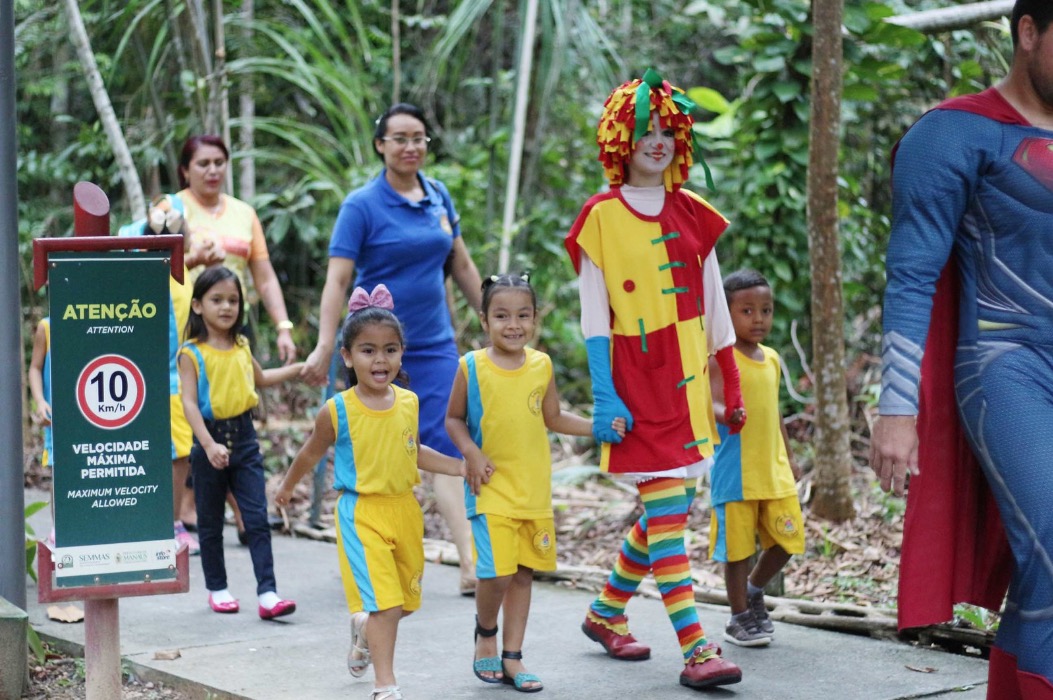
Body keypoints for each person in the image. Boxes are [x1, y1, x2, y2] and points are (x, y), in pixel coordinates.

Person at [869, 2, 1053, 696]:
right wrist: (895, 408)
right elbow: (912, 275)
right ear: (1027, 31)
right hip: (1005, 367)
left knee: (1041, 567)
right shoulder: (953, 133)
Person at [565, 69, 746, 690]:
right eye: (645, 129)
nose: (658, 139)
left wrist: (732, 385)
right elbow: (594, 316)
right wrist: (603, 392)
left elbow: (717, 306)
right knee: (668, 511)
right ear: (622, 137)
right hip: (635, 381)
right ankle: (697, 651)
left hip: (689, 380)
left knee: (668, 506)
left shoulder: (695, 211)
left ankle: (605, 612)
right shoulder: (599, 216)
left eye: (668, 129)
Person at [302, 103, 483, 595]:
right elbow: (338, 279)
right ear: (381, 145)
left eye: (419, 137)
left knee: (448, 440)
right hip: (375, 352)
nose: (411, 147)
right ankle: (371, 548)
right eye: (400, 138)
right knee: (378, 445)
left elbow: (462, 265)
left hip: (435, 342)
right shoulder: (361, 205)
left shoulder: (438, 197)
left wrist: (492, 319)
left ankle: (470, 563)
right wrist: (325, 344)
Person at [275, 284, 466, 700]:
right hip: (361, 514)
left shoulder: (409, 402)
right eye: (368, 350)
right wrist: (287, 487)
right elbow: (311, 453)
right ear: (347, 356)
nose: (380, 359)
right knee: (386, 604)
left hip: (404, 510)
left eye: (390, 349)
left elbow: (414, 451)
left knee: (403, 603)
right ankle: (386, 684)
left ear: (401, 352)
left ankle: (362, 629)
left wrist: (459, 466)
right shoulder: (338, 409)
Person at [445, 273, 619, 693]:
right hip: (490, 487)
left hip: (533, 491)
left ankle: (513, 656)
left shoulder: (541, 365)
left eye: (523, 315)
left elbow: (554, 417)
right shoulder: (471, 366)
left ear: (536, 318)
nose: (513, 324)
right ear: (484, 321)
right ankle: (485, 630)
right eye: (501, 315)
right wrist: (472, 452)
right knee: (496, 573)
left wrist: (597, 426)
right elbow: (453, 420)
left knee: (522, 574)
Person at [178, 266, 303, 618]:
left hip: (245, 439)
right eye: (216, 300)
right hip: (209, 440)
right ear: (199, 305)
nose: (226, 307)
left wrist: (297, 369)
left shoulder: (241, 345)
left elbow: (260, 379)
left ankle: (268, 593)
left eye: (233, 300)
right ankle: (217, 588)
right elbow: (188, 402)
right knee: (211, 520)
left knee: (256, 517)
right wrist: (207, 444)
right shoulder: (191, 353)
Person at [708, 269, 803, 648]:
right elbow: (707, 403)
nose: (759, 318)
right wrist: (725, 413)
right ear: (727, 315)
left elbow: (775, 411)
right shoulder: (721, 358)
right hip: (736, 469)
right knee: (737, 550)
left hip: (772, 467)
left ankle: (754, 589)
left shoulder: (772, 359)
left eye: (765, 309)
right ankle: (738, 617)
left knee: (788, 539)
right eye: (747, 311)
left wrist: (790, 455)